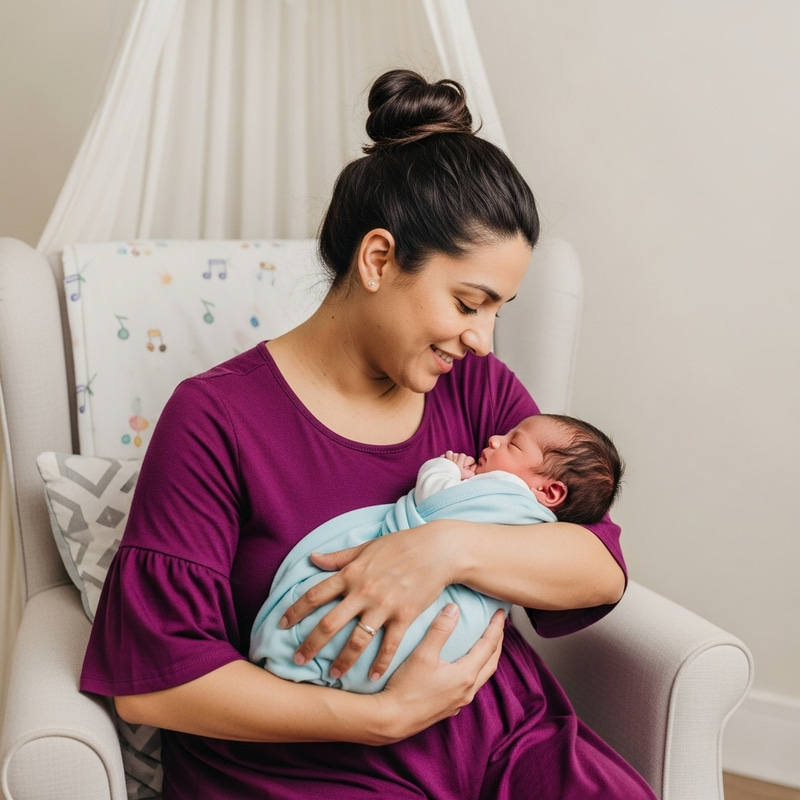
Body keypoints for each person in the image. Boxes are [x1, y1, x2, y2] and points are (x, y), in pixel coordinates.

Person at [81, 69, 656, 799]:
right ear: (379, 259)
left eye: (498, 311)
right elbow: (153, 688)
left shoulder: (475, 387)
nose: (483, 339)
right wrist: (378, 718)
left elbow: (597, 568)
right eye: (468, 303)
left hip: (503, 739)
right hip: (316, 767)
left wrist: (443, 548)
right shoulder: (216, 419)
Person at [251, 414, 624, 693]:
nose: (494, 439)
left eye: (513, 444)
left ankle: (298, 663)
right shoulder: (538, 522)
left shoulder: (505, 493)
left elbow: (436, 500)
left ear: (551, 493)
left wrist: (444, 468)